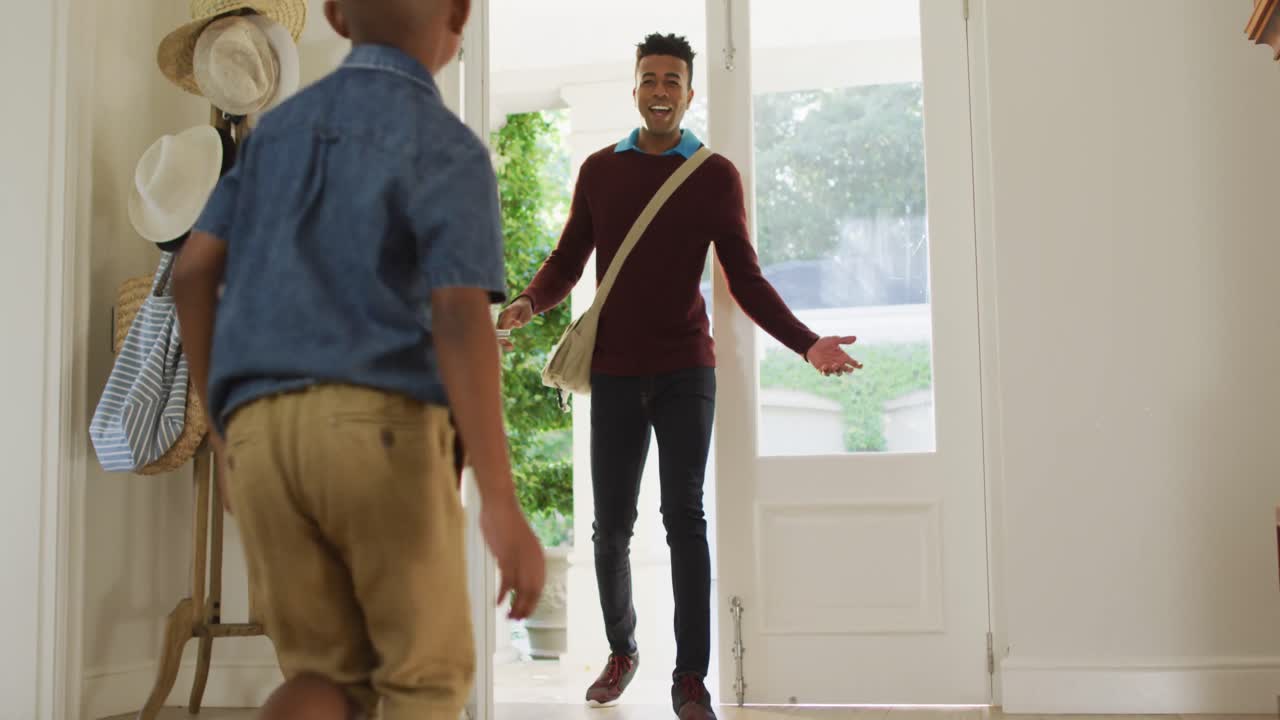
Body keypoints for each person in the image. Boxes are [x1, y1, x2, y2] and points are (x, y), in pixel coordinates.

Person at [173, 1, 546, 718]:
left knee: (322, 680)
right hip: (376, 429)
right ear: (459, 16)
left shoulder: (272, 136)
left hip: (258, 440)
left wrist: (225, 432)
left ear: (338, 17)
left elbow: (192, 273)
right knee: (423, 679)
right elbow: (460, 318)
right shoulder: (444, 143)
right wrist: (499, 500)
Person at [497, 31, 861, 720]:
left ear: (689, 94)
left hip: (685, 369)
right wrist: (527, 301)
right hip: (611, 372)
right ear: (634, 88)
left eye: (672, 81)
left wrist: (807, 343)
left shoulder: (714, 175)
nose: (660, 91)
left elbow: (744, 280)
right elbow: (568, 258)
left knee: (683, 518)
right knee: (610, 526)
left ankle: (689, 677)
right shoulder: (601, 170)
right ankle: (622, 651)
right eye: (649, 79)